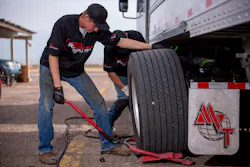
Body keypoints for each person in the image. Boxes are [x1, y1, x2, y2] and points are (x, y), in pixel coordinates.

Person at [38, 3, 162, 165]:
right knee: (46, 105)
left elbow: (121, 42)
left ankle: (108, 144)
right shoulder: (64, 24)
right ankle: (45, 149)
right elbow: (53, 56)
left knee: (99, 104)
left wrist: (151, 47)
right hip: (50, 67)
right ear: (85, 17)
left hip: (75, 71)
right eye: (94, 25)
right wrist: (58, 87)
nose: (96, 29)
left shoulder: (97, 31)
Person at [103, 30, 146, 130]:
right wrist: (124, 88)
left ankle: (142, 129)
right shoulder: (109, 47)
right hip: (120, 74)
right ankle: (106, 127)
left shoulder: (136, 37)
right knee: (123, 100)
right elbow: (111, 72)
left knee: (138, 101)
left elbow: (146, 56)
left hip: (137, 72)